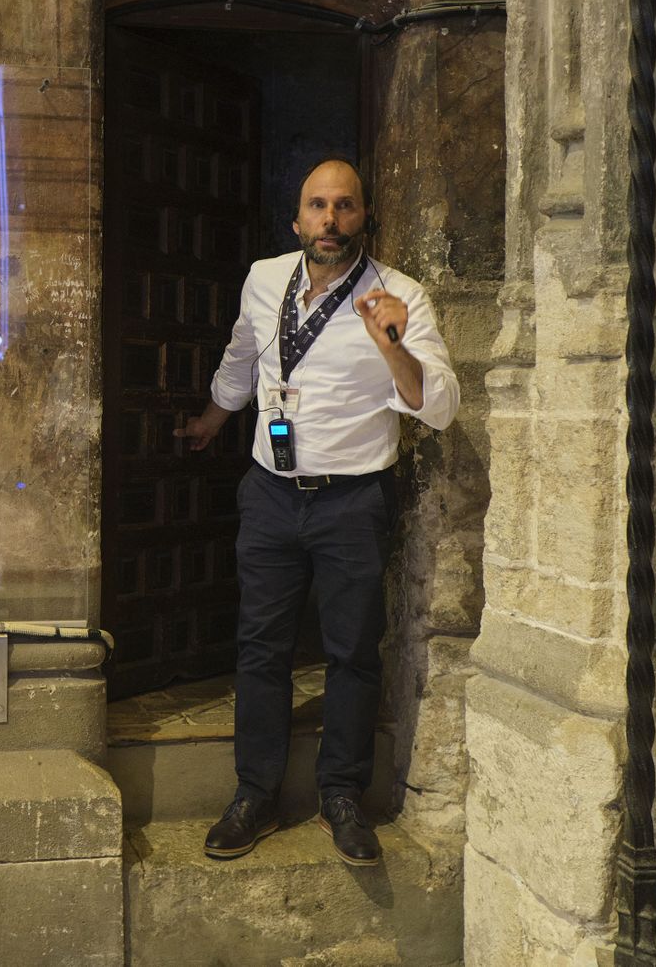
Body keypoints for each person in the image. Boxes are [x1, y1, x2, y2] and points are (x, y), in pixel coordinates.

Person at [175, 157, 459, 866]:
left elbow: (441, 408)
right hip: (270, 493)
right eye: (318, 206)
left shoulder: (400, 296)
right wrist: (212, 419)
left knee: (352, 652)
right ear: (297, 218)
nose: (330, 220)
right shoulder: (264, 278)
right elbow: (243, 358)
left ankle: (341, 794)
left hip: (352, 501)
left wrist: (392, 346)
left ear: (365, 217)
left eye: (345, 207)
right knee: (260, 647)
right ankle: (255, 793)